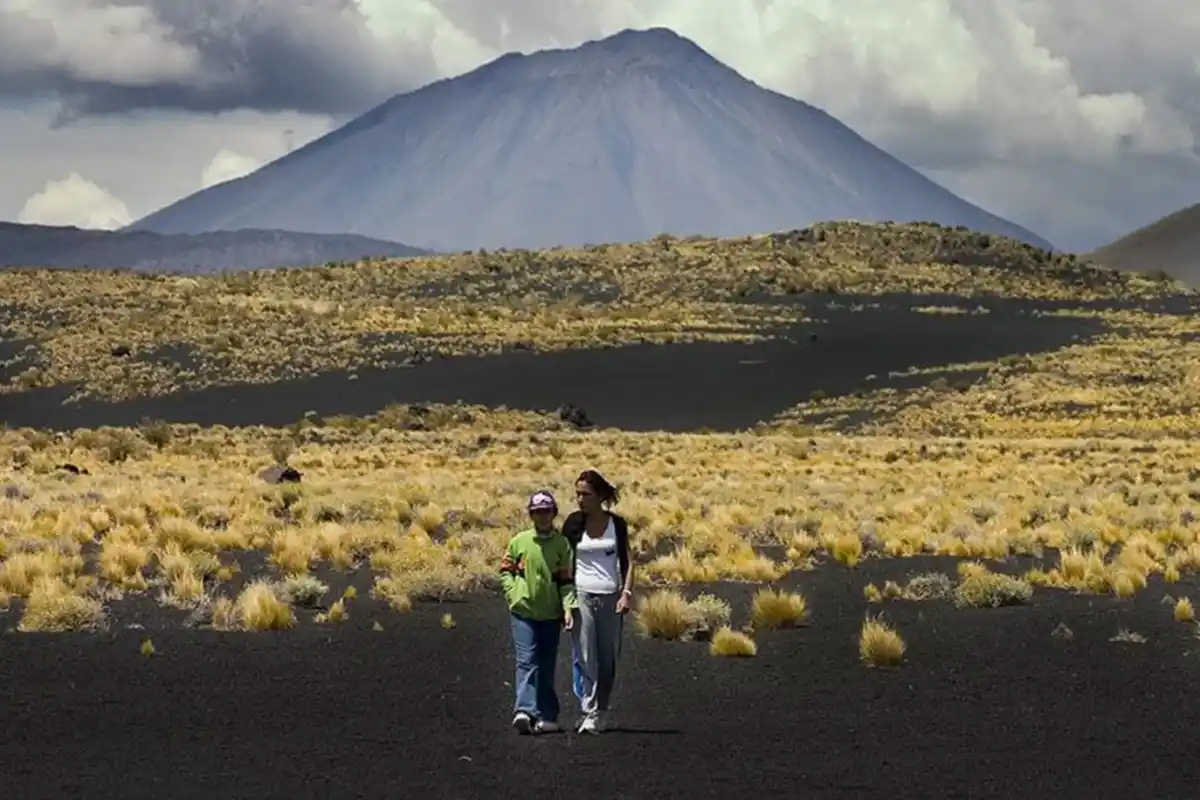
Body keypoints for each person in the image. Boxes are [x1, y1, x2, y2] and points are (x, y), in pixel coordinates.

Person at [561, 469, 633, 734]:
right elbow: (563, 563)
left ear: (600, 496)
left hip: (611, 597)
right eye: (577, 494)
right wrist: (566, 602)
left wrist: (626, 593)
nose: (580, 499)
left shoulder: (617, 524)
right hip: (582, 595)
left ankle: (601, 708)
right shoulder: (572, 524)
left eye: (586, 494)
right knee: (585, 655)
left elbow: (627, 562)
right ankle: (589, 711)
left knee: (608, 657)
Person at [499, 490, 577, 735]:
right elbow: (506, 570)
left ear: (554, 513)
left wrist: (568, 608)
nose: (542, 517)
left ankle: (547, 714)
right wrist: (513, 594)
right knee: (527, 660)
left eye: (547, 512)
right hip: (524, 612)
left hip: (551, 614)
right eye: (537, 512)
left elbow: (566, 581)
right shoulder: (519, 541)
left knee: (546, 663)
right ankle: (525, 710)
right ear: (531, 515)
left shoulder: (561, 545)